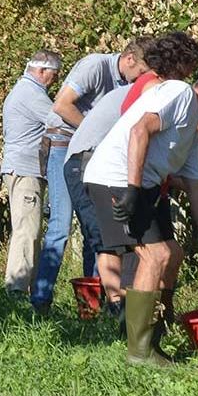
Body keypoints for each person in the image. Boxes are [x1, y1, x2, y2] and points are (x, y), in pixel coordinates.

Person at [84, 32, 198, 366]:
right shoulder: (179, 93)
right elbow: (140, 129)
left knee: (171, 252)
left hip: (135, 182)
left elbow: (197, 195)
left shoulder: (187, 132)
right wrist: (132, 190)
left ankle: (153, 337)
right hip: (114, 178)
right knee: (155, 255)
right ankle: (139, 351)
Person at [38, 39, 150, 313]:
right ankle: (40, 300)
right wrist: (97, 131)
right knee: (60, 226)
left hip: (92, 153)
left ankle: (92, 305)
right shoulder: (94, 66)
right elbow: (61, 105)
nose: (141, 81)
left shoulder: (125, 83)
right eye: (141, 72)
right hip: (64, 144)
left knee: (95, 230)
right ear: (129, 59)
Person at [0, 49, 63, 298]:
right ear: (42, 70)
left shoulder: (24, 90)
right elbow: (59, 120)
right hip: (26, 171)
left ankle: (27, 287)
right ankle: (17, 289)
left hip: (23, 169)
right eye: (54, 75)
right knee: (27, 229)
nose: (55, 80)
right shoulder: (31, 94)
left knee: (30, 228)